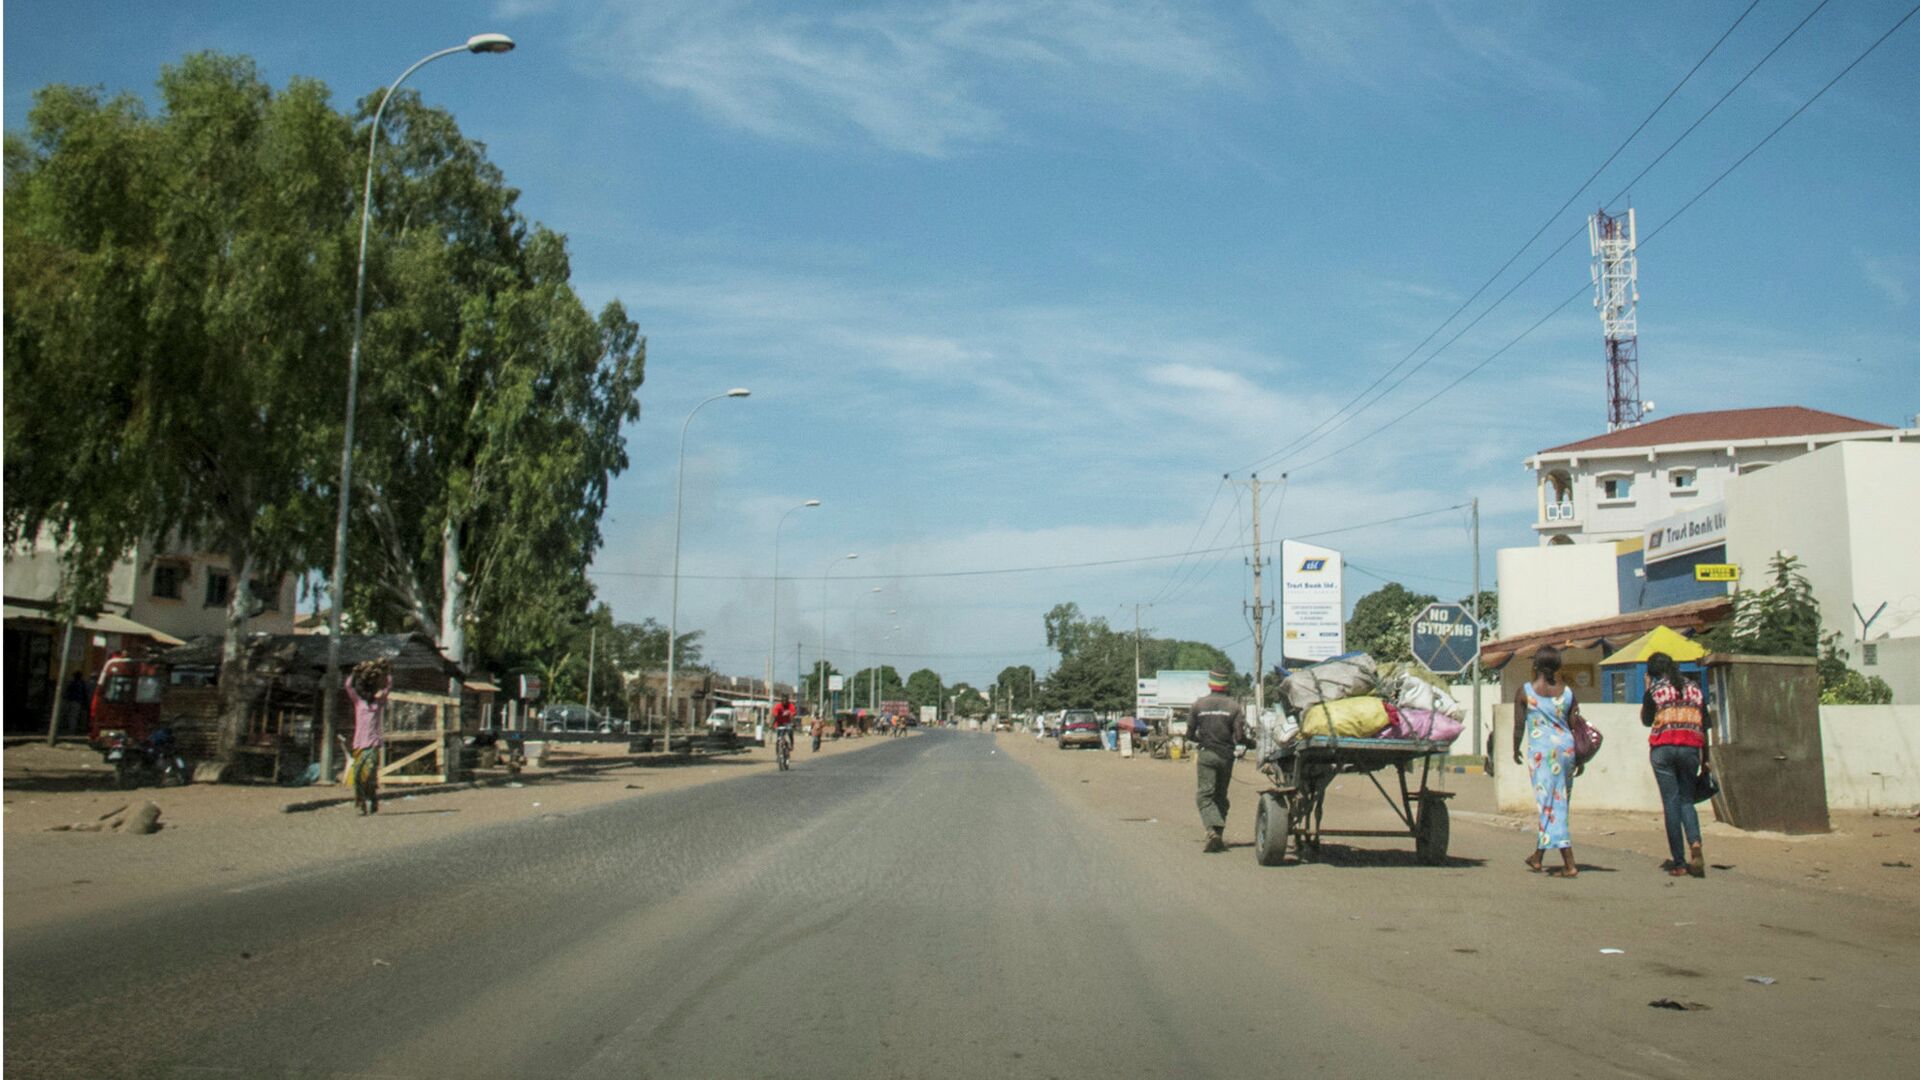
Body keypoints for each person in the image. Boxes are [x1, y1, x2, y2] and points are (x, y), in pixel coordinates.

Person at [1513, 646, 1581, 877]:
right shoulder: (1568, 693)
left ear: (1536, 666)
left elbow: (1519, 725)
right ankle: (1538, 856)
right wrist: (1579, 757)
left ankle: (1570, 863)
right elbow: (1574, 725)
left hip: (1541, 753)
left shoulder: (1525, 692)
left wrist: (1515, 749)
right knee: (1556, 802)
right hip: (1566, 750)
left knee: (1550, 805)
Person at [1643, 652, 1710, 878]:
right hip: (1691, 747)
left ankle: (1679, 863)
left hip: (1663, 749)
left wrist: (1647, 688)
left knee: (1670, 803)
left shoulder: (1655, 690)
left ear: (1652, 672)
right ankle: (1695, 842)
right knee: (1686, 800)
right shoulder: (1695, 689)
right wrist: (1706, 758)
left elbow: (1646, 720)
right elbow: (1705, 725)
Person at [1188, 671, 1249, 853]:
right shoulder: (1234, 707)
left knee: (1205, 795)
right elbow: (1239, 736)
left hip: (1207, 755)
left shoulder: (1198, 705)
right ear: (1226, 685)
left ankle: (1212, 831)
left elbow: (1189, 734)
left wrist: (1203, 740)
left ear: (1210, 685)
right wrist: (1249, 743)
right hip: (1226, 757)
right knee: (1221, 796)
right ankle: (1218, 835)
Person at [345, 658, 391, 816]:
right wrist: (354, 673)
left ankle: (372, 798)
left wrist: (385, 672)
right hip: (359, 744)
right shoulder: (359, 703)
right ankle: (361, 803)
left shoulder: (378, 704)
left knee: (370, 773)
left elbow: (388, 686)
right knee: (357, 775)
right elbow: (348, 686)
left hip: (373, 744)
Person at [771, 695, 797, 760]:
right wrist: (771, 724)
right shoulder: (778, 706)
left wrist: (793, 724)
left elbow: (792, 716)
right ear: (781, 701)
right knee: (778, 740)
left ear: (788, 701)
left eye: (786, 701)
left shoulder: (791, 706)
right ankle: (778, 754)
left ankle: (791, 744)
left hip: (788, 723)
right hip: (779, 724)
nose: (785, 702)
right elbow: (775, 716)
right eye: (783, 701)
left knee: (790, 732)